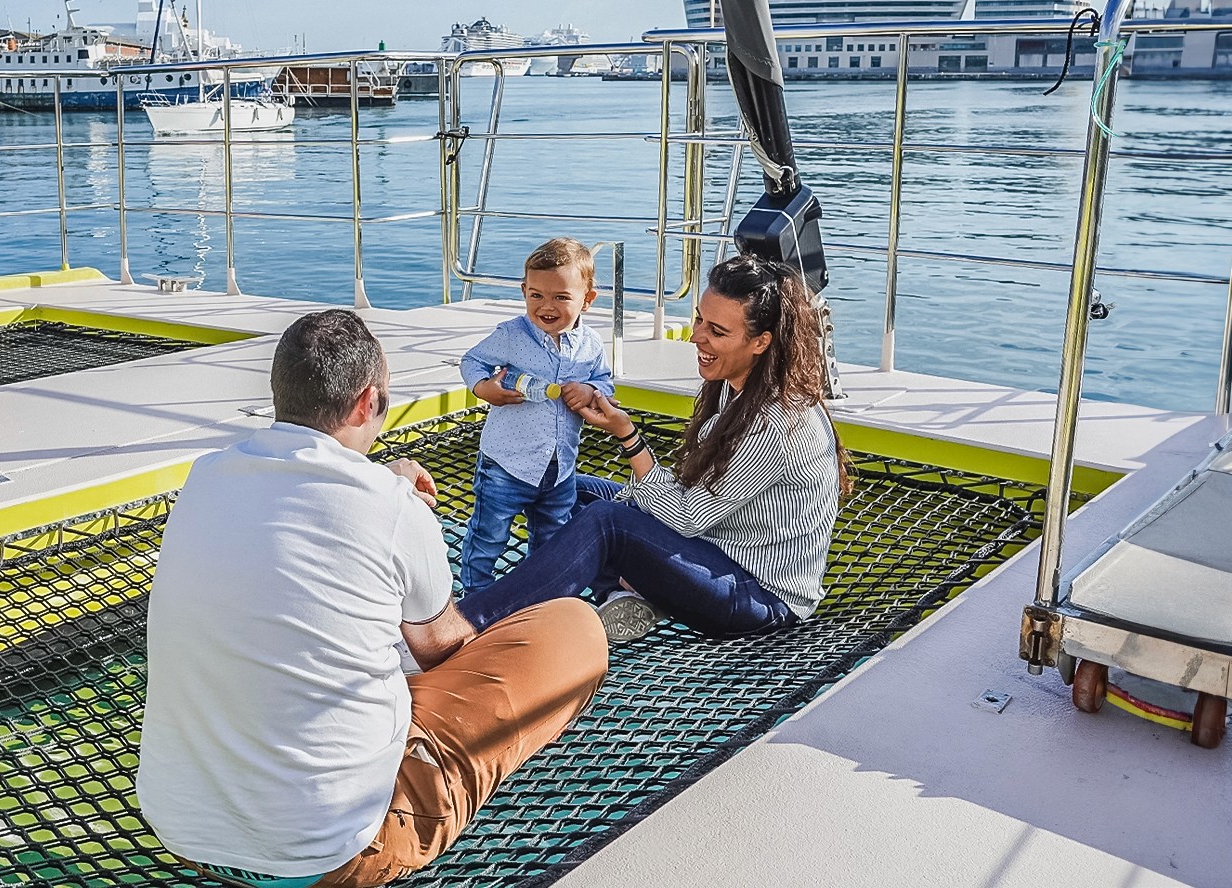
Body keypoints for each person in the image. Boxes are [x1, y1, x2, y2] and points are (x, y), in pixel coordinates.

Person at [137, 309, 608, 888]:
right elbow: (437, 648)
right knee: (573, 629)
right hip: (335, 854)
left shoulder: (206, 477)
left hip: (184, 833)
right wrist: (398, 503)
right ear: (366, 402)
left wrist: (383, 487)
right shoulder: (391, 505)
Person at [458, 253, 851, 644]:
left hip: (757, 596)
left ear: (761, 342)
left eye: (717, 331)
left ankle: (470, 623)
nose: (697, 337)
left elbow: (686, 517)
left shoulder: (773, 421)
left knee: (606, 523)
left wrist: (627, 435)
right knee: (564, 490)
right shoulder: (736, 384)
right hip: (714, 545)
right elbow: (692, 498)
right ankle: (623, 593)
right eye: (699, 319)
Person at [458, 237, 614, 593]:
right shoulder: (512, 335)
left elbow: (606, 383)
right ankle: (474, 599)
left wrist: (591, 391)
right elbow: (472, 361)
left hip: (559, 470)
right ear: (524, 290)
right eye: (537, 295)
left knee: (553, 543)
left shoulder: (591, 345)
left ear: (587, 299)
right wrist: (484, 389)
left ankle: (541, 599)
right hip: (506, 465)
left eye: (561, 297)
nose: (547, 306)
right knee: (488, 539)